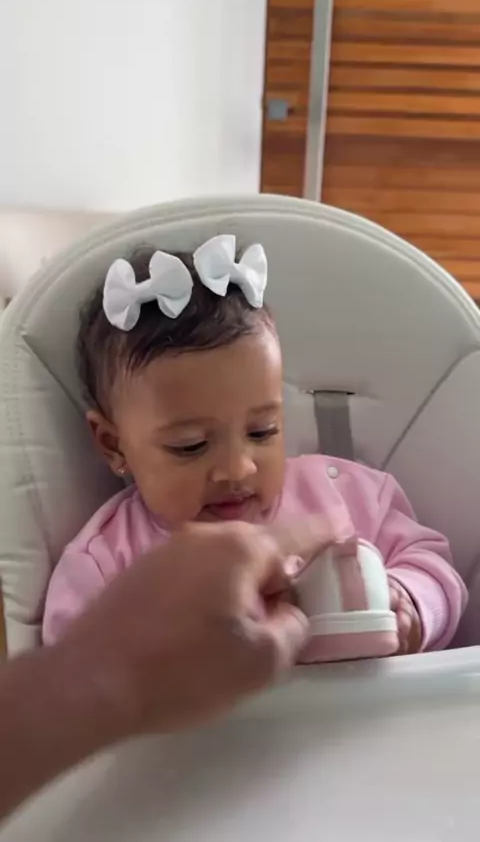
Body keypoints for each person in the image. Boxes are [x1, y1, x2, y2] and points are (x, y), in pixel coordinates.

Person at [43, 235, 467, 655]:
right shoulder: (104, 565)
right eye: (190, 445)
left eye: (262, 431)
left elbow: (432, 564)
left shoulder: (345, 496)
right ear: (113, 444)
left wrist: (411, 602)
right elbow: (72, 676)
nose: (238, 468)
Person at [0, 518, 335, 822]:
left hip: (295, 769)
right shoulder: (97, 561)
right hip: (160, 791)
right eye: (190, 453)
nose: (236, 475)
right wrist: (113, 677)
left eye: (261, 445)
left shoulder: (330, 500)